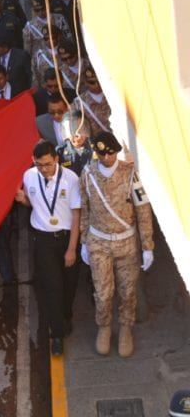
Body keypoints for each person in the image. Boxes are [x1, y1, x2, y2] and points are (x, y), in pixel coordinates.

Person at [79, 133, 155, 357]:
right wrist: (84, 241)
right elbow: (84, 209)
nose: (106, 158)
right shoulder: (87, 174)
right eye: (102, 154)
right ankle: (103, 328)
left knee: (128, 291)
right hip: (98, 241)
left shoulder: (131, 174)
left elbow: (143, 210)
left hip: (126, 242)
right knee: (102, 293)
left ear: (116, 151)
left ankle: (125, 329)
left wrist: (147, 246)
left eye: (110, 153)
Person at [14, 140, 81, 355]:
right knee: (53, 287)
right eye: (40, 165)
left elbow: (77, 216)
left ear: (57, 160)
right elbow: (35, 204)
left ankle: (66, 315)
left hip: (65, 238)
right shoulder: (29, 176)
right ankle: (57, 335)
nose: (44, 169)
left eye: (48, 164)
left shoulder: (71, 180)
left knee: (69, 284)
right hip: (43, 239)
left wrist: (71, 249)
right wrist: (23, 199)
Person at [73, 68, 112, 139]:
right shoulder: (79, 103)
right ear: (85, 83)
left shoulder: (113, 93)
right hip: (100, 142)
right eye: (92, 82)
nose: (97, 85)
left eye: (99, 81)